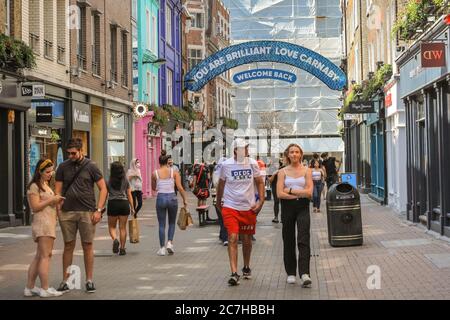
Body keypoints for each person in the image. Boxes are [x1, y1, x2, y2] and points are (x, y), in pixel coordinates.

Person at [55, 138, 107, 294]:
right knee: (68, 245)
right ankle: (65, 280)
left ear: (81, 151)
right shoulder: (63, 167)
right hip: (67, 212)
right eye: (68, 153)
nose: (70, 156)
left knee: (88, 245)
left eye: (73, 153)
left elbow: (103, 188)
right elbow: (57, 190)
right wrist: (58, 208)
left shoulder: (91, 166)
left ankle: (89, 280)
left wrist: (98, 210)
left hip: (87, 211)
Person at [215, 139, 265, 286]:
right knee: (232, 237)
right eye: (243, 148)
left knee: (247, 240)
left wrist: (261, 201)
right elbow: (221, 184)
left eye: (247, 148)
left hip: (248, 207)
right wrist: (218, 202)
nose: (247, 150)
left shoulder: (253, 164)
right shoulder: (226, 165)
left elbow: (260, 182)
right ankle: (234, 273)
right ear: (235, 150)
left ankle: (247, 267)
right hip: (231, 206)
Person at [25, 159, 65, 298]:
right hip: (43, 224)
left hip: (48, 223)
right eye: (47, 172)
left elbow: (47, 203)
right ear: (40, 172)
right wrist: (52, 200)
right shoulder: (34, 186)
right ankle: (45, 288)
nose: (50, 174)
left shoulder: (45, 185)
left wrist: (56, 200)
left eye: (51, 171)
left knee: (39, 256)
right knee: (45, 256)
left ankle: (29, 288)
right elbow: (35, 207)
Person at [277, 143, 313, 287]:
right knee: (288, 239)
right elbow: (279, 193)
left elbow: (309, 193)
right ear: (288, 155)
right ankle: (291, 273)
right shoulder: (282, 172)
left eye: (296, 152)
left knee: (303, 238)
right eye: (291, 152)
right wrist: (299, 194)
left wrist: (290, 190)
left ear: (300, 154)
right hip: (287, 208)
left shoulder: (307, 171)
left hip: (303, 207)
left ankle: (304, 273)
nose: (294, 154)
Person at [151, 150, 188, 256]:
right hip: (172, 198)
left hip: (161, 198)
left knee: (162, 224)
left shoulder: (155, 173)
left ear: (159, 163)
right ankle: (169, 243)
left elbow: (153, 188)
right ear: (167, 162)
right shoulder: (174, 172)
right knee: (172, 223)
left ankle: (162, 248)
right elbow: (180, 188)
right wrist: (185, 200)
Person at [107, 162, 134, 256]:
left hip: (112, 204)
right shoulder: (126, 180)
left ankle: (115, 239)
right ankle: (122, 248)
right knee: (122, 227)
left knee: (112, 227)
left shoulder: (108, 181)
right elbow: (129, 194)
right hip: (124, 204)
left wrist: (100, 207)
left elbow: (105, 194)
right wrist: (132, 208)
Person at [213, 157, 228, 246]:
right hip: (224, 200)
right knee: (224, 219)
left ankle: (222, 236)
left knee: (222, 219)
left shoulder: (215, 173)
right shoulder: (222, 175)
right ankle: (225, 238)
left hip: (217, 200)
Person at [268, 159, 284, 223]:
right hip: (275, 186)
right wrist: (274, 174)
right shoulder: (271, 169)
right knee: (276, 201)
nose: (276, 165)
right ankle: (276, 217)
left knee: (283, 202)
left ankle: (283, 218)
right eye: (274, 164)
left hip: (283, 187)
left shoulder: (283, 168)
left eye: (277, 163)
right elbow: (270, 180)